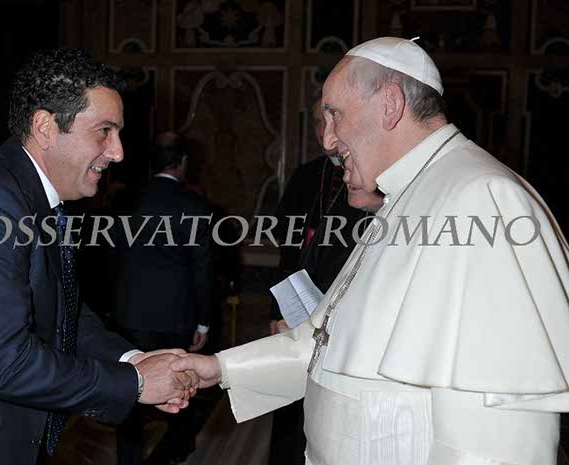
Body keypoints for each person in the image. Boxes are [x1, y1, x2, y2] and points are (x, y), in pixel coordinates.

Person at [172, 37, 569, 465]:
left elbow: (498, 440)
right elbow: (324, 344)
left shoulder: (483, 198)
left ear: (390, 105)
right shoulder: (403, 197)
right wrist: (221, 368)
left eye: (335, 114)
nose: (328, 140)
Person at [0, 49, 198, 465]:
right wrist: (133, 382)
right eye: (104, 131)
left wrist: (133, 359)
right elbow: (2, 363)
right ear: (45, 127)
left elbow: (62, 309)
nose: (117, 152)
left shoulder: (21, 190)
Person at [267, 97, 382, 465]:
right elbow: (285, 245)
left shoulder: (376, 175)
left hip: (346, 308)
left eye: (330, 121)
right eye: (318, 123)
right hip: (296, 300)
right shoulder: (306, 175)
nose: (324, 132)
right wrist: (276, 309)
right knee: (290, 400)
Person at [114, 131, 212, 465]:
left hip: (131, 313)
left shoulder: (126, 201)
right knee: (180, 387)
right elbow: (202, 269)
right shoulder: (193, 205)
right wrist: (203, 321)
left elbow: (112, 256)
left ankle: (128, 459)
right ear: (182, 163)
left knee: (131, 390)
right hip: (176, 316)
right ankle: (175, 453)